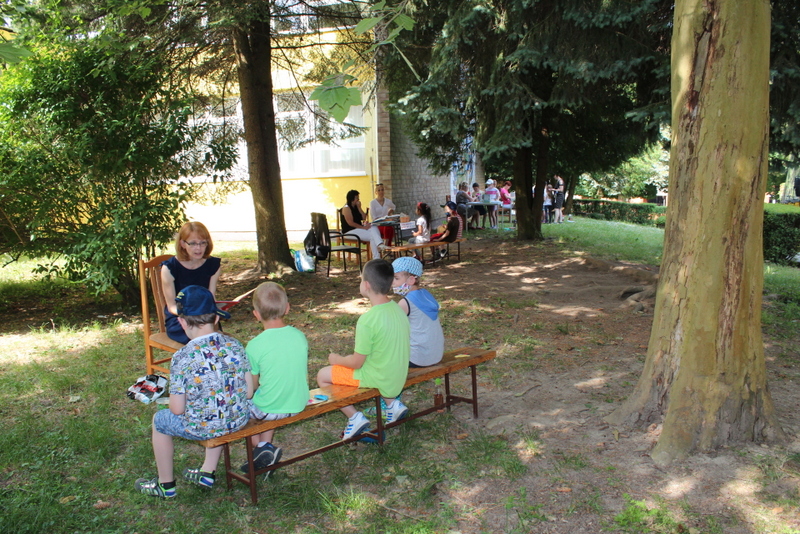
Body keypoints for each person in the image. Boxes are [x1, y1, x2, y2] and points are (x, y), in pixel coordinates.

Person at [135, 285, 252, 499]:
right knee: (218, 405)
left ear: (181, 322)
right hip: (238, 419)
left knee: (159, 420)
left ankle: (165, 485)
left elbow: (177, 410)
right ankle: (207, 472)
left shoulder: (182, 357)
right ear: (216, 318)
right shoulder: (235, 345)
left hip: (205, 426)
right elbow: (249, 391)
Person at [316, 259, 410, 440]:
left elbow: (356, 363)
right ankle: (392, 405)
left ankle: (355, 418)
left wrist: (337, 359)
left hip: (379, 377)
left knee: (322, 375)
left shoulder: (368, 320)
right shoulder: (398, 309)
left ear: (366, 285)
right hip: (397, 375)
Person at [240, 282, 309, 474]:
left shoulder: (254, 345)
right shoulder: (300, 336)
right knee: (269, 396)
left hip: (270, 408)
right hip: (298, 403)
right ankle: (265, 449)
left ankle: (263, 448)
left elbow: (252, 387)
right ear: (287, 308)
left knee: (239, 409)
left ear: (256, 314)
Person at [161, 221, 221, 344]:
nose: (198, 248)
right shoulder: (169, 268)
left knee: (214, 338)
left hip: (205, 317)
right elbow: (171, 307)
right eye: (193, 243)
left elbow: (211, 297)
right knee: (205, 339)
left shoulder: (213, 265)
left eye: (202, 243)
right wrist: (193, 315)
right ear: (183, 244)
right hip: (180, 319)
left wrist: (216, 309)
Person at [391, 257, 444, 367]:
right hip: (435, 355)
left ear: (411, 280)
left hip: (417, 358)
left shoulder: (405, 303)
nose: (392, 282)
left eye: (396, 278)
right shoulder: (426, 295)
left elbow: (392, 329)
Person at [340, 189, 383, 259]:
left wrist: (359, 208)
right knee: (372, 236)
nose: (358, 199)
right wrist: (363, 227)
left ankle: (379, 246)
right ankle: (377, 255)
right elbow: (350, 223)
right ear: (352, 199)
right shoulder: (346, 208)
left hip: (358, 228)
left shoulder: (356, 207)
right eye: (357, 198)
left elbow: (363, 217)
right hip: (349, 231)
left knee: (373, 227)